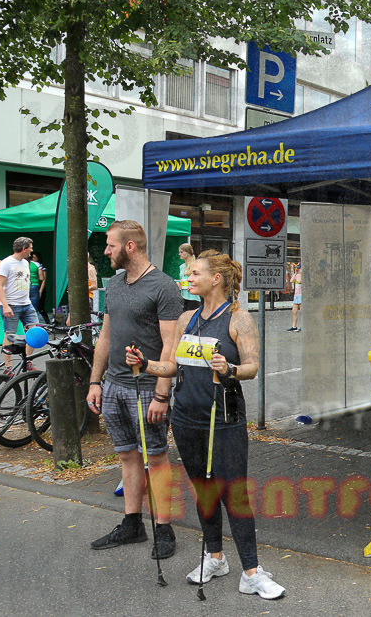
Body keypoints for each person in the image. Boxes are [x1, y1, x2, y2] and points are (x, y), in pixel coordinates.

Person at [126, 250, 286, 599]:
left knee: (234, 492)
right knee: (204, 489)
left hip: (224, 418)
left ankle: (252, 571)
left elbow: (252, 367)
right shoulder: (187, 319)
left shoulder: (239, 319)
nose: (189, 278)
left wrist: (227, 369)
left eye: (195, 273)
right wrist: (145, 363)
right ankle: (215, 557)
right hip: (186, 418)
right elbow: (170, 367)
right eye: (189, 273)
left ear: (216, 279)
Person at [86, 220, 183, 559]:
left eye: (111, 245)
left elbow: (170, 348)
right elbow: (106, 338)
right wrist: (96, 381)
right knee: (127, 455)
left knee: (156, 458)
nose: (106, 251)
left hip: (146, 389)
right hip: (113, 385)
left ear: (130, 246)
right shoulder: (113, 284)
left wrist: (161, 394)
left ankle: (164, 527)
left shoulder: (164, 286)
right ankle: (132, 523)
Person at [0, 237, 40, 371]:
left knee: (34, 332)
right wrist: (6, 305)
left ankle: (27, 361)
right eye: (30, 248)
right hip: (11, 304)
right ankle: (8, 368)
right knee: (9, 334)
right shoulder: (6, 263)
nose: (32, 250)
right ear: (24, 248)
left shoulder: (26, 263)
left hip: (26, 303)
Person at [178, 243, 201, 311]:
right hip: (183, 296)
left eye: (181, 252)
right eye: (179, 252)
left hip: (194, 298)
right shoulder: (181, 266)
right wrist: (179, 283)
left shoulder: (197, 265)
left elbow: (201, 279)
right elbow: (182, 279)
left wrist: (194, 286)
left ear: (188, 253)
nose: (179, 254)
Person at [28, 253, 49, 323]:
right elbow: (42, 278)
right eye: (32, 257)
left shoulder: (40, 266)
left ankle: (47, 322)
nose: (34, 259)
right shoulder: (37, 265)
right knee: (35, 308)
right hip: (35, 287)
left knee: (40, 307)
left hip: (39, 288)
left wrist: (40, 291)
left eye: (35, 257)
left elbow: (44, 280)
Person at [287, 263, 302, 332]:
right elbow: (291, 280)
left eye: (298, 268)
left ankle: (303, 326)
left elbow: (299, 281)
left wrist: (300, 274)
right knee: (294, 311)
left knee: (302, 311)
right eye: (296, 268)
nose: (297, 269)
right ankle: (294, 326)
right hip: (296, 295)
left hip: (302, 295)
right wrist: (295, 274)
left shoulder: (302, 275)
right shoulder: (297, 275)